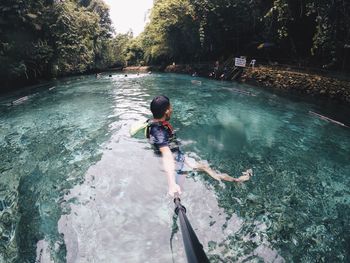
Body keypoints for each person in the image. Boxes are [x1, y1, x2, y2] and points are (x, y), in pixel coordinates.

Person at [146, 95, 252, 196]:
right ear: (167, 111)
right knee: (206, 169)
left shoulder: (152, 123)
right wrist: (171, 184)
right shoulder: (160, 132)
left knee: (203, 166)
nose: (172, 109)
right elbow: (166, 154)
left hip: (177, 156)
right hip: (176, 161)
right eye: (171, 107)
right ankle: (237, 180)